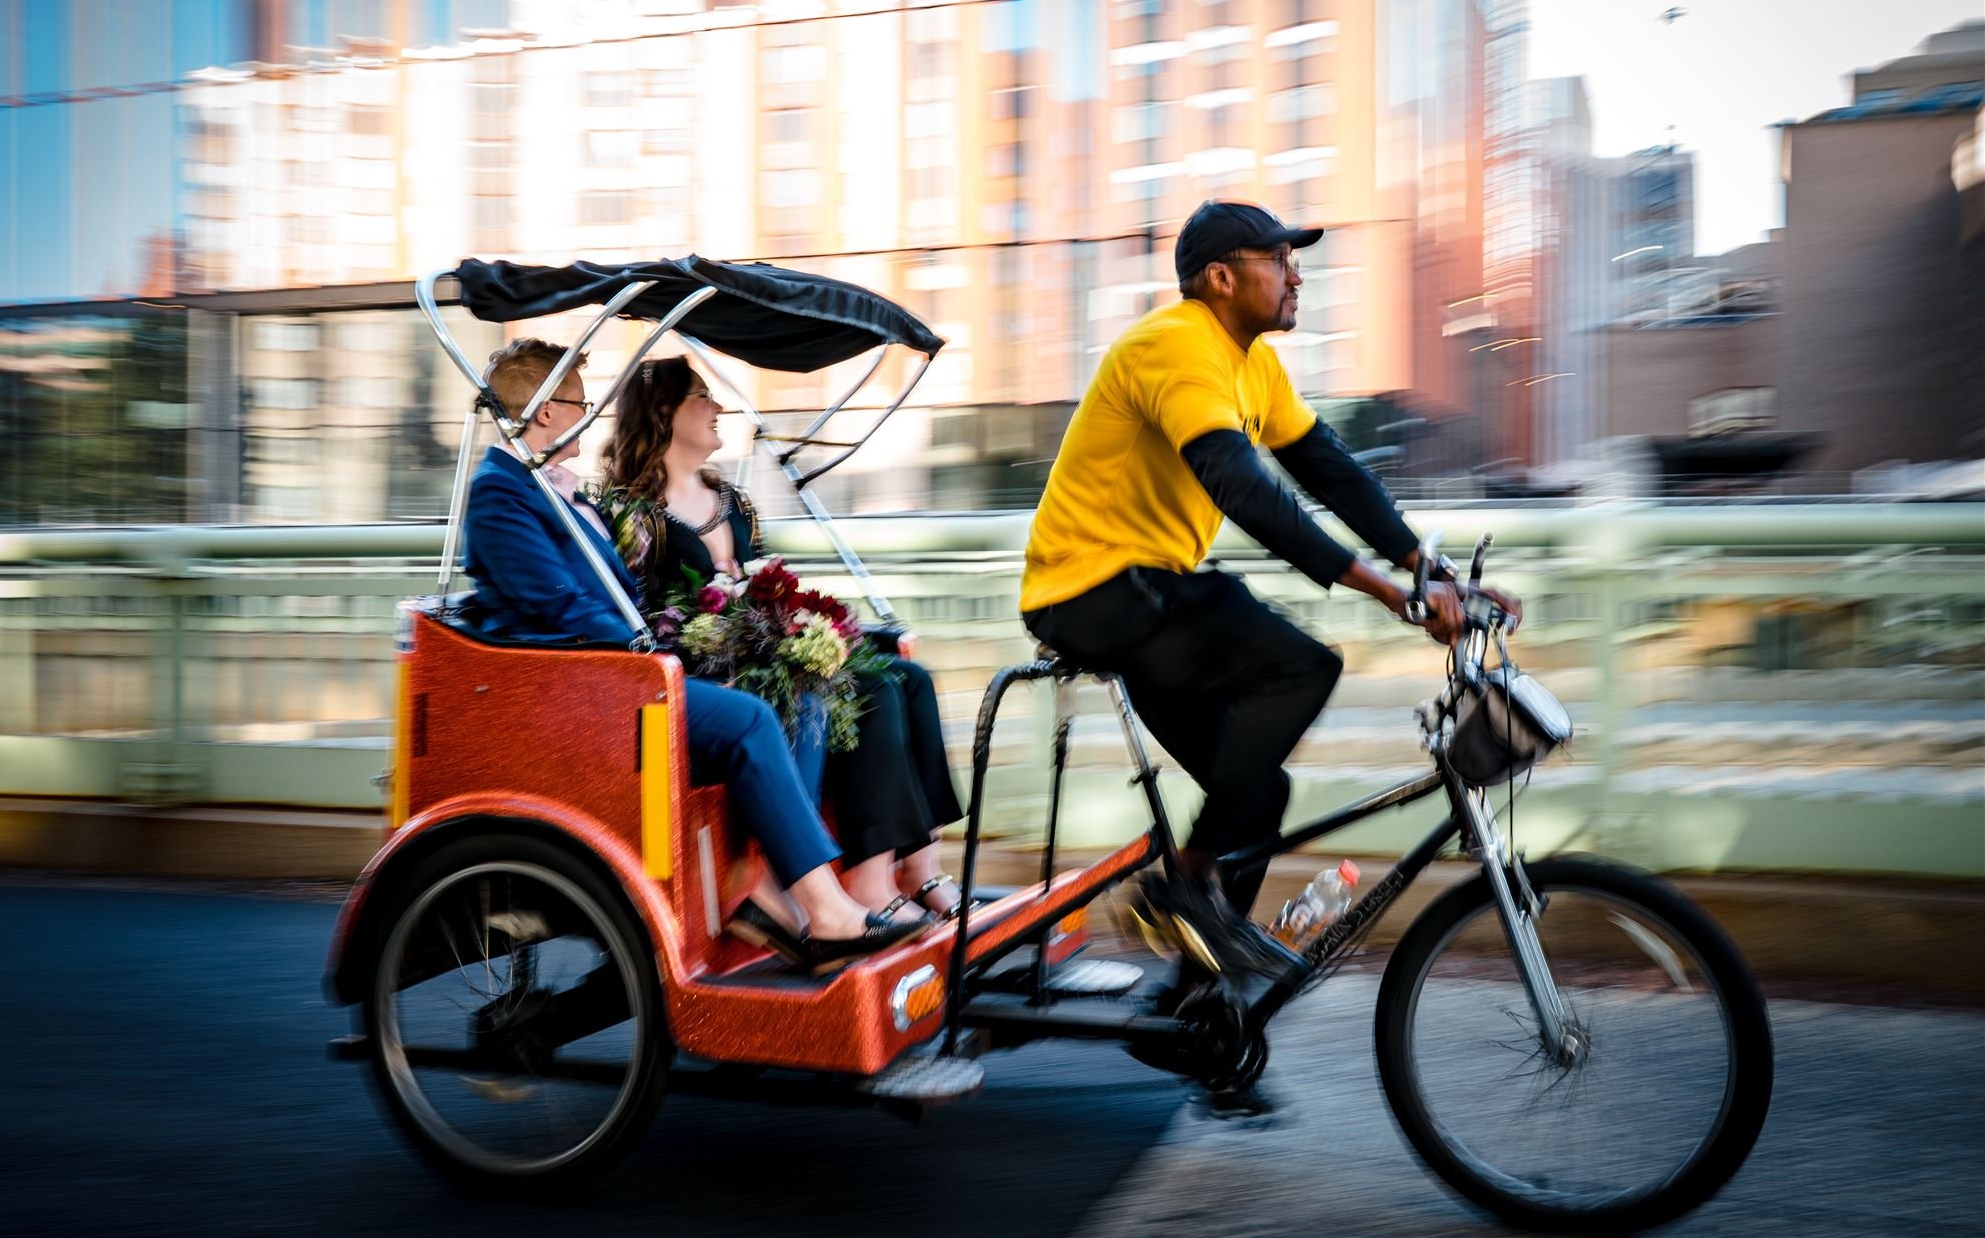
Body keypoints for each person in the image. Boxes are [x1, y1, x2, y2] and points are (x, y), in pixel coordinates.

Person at [1021, 200, 1517, 989]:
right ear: (1221, 277)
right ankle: (1183, 884)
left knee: (1253, 788)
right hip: (1092, 591)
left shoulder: (1253, 364)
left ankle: (1199, 1012)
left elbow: (1329, 469)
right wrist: (1380, 587)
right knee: (1302, 667)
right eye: (1278, 258)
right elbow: (1246, 490)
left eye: (1296, 259)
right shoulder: (1177, 344)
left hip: (1152, 599)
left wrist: (1426, 566)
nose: (1296, 273)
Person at [459, 337, 930, 972]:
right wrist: (647, 648)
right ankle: (822, 908)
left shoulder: (558, 488)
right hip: (586, 689)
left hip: (620, 673)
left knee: (807, 687)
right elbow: (558, 606)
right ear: (544, 411)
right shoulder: (501, 492)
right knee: (753, 716)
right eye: (577, 401)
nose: (589, 413)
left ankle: (824, 890)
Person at [598, 357, 970, 923]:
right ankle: (867, 879)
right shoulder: (635, 515)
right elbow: (640, 618)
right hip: (701, 671)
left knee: (910, 678)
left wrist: (795, 628)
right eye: (703, 397)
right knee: (873, 692)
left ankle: (921, 867)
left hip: (763, 652)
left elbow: (764, 587)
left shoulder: (735, 503)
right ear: (666, 413)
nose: (718, 407)